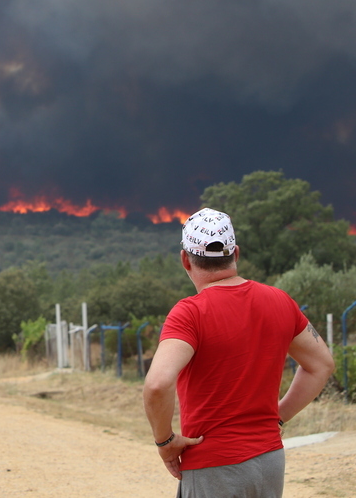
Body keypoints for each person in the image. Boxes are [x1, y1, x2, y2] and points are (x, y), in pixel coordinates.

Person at [143, 208, 335, 497]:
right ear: (236, 254)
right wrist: (278, 417)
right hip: (269, 460)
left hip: (213, 466)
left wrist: (165, 442)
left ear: (185, 259)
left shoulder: (190, 313)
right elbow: (322, 364)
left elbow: (157, 384)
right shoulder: (280, 301)